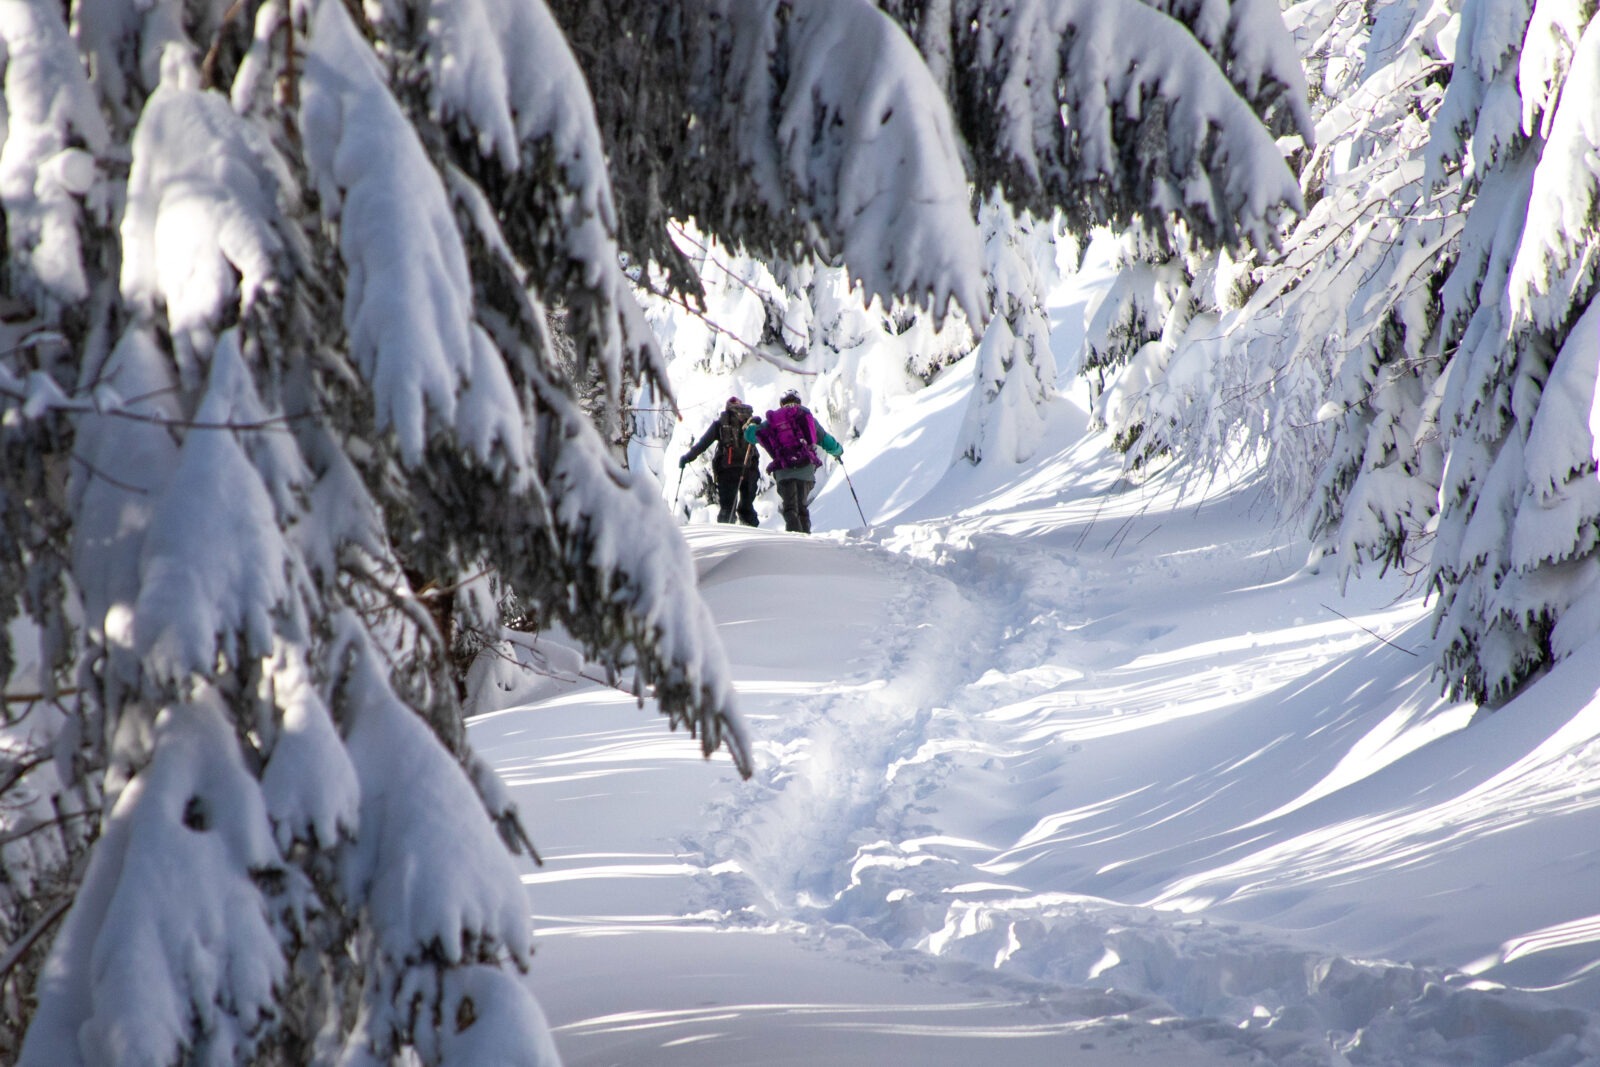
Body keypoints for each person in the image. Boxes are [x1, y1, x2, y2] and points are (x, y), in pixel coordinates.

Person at [745, 389, 843, 534]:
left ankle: (796, 542)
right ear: (798, 402)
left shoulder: (774, 421)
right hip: (806, 470)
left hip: (784, 471)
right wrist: (838, 451)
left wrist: (752, 425)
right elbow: (825, 440)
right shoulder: (805, 417)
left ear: (781, 403)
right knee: (802, 507)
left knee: (790, 508)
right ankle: (805, 538)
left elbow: (750, 436)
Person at [679, 396, 761, 525]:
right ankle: (753, 535)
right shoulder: (751, 422)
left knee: (727, 507)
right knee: (747, 506)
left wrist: (688, 457)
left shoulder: (721, 423)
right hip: (749, 469)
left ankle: (725, 535)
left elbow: (703, 443)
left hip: (727, 470)